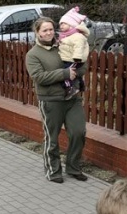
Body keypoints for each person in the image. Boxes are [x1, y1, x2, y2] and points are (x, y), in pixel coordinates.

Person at [25, 17, 88, 184]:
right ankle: (53, 170)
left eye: (51, 29)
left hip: (72, 97)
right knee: (52, 138)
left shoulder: (64, 44)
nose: (49, 33)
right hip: (51, 101)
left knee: (78, 133)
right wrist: (64, 74)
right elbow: (38, 77)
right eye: (44, 30)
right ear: (37, 32)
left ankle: (73, 167)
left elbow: (82, 63)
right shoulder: (33, 55)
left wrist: (79, 69)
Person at [57, 6, 90, 99]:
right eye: (60, 24)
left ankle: (69, 88)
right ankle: (81, 85)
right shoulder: (67, 36)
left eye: (64, 23)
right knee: (74, 73)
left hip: (74, 59)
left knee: (65, 74)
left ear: (71, 25)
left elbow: (79, 47)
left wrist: (77, 58)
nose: (61, 26)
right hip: (69, 58)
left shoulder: (77, 36)